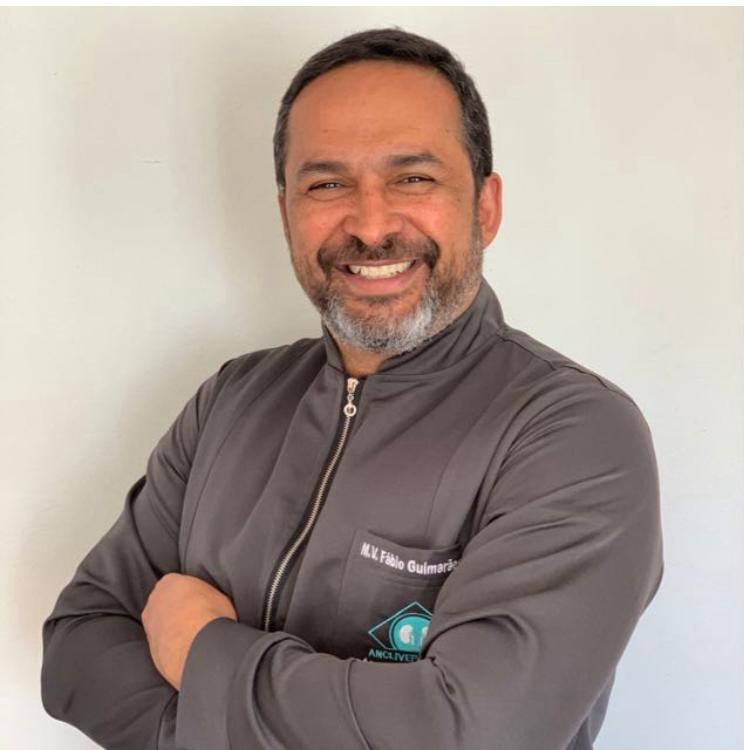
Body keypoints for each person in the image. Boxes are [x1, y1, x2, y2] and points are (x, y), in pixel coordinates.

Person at [41, 27, 663, 750]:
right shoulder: (230, 401)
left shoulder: (574, 434)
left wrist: (202, 652)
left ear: (485, 206)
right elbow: (78, 650)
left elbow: (470, 735)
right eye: (328, 184)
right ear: (286, 214)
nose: (370, 226)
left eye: (414, 178)